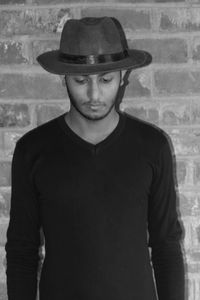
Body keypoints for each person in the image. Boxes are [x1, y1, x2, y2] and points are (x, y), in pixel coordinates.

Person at [5, 16, 185, 300]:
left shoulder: (152, 147)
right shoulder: (33, 150)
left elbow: (167, 246)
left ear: (123, 77)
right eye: (80, 80)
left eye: (105, 79)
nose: (94, 94)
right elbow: (21, 252)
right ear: (64, 78)